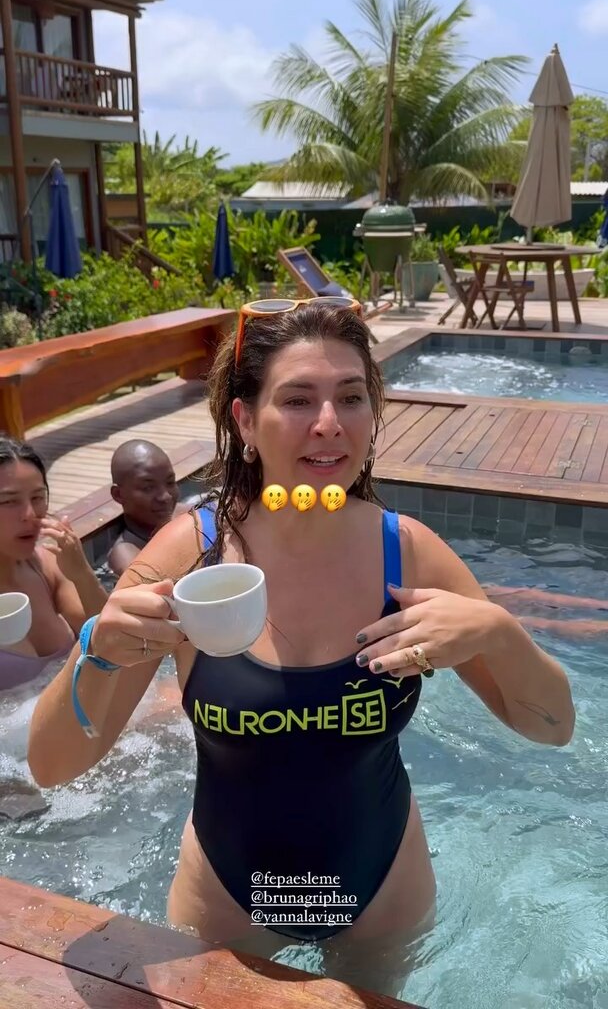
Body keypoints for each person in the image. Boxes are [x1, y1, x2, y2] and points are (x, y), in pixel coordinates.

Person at [27, 301, 575, 989]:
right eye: (297, 399)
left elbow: (551, 727)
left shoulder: (407, 553)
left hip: (382, 894)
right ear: (244, 421)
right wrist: (97, 650)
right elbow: (52, 767)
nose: (328, 422)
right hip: (225, 899)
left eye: (351, 396)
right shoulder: (189, 557)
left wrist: (498, 630)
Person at [0, 436, 108, 692]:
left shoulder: (46, 566)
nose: (30, 514)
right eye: (8, 501)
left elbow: (111, 641)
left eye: (38, 497)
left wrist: (81, 573)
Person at [107, 440, 182, 577]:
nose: (165, 497)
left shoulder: (188, 514)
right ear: (118, 495)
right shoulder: (127, 555)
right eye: (148, 488)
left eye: (170, 482)